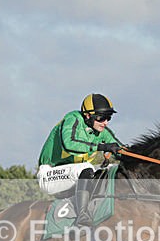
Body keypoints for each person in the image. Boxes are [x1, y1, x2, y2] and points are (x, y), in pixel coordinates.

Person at [38, 93, 122, 226]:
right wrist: (101, 146)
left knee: (112, 169)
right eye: (101, 118)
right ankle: (82, 216)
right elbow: (69, 144)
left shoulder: (102, 131)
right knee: (85, 167)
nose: (105, 123)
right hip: (50, 174)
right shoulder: (72, 119)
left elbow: (120, 149)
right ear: (88, 115)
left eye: (108, 118)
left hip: (75, 176)